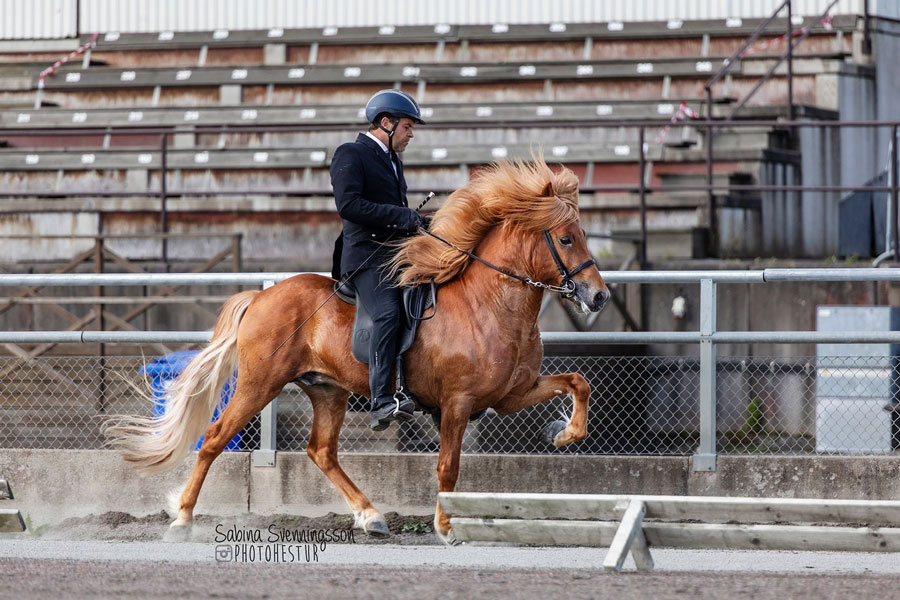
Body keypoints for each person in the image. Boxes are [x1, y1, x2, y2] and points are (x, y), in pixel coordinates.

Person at [330, 89, 425, 431]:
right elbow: (350, 206)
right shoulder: (351, 154)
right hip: (366, 257)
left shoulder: (393, 160)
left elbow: (396, 214)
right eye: (408, 126)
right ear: (387, 123)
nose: (411, 133)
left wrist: (420, 224)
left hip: (395, 254)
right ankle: (382, 401)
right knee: (387, 313)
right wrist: (402, 217)